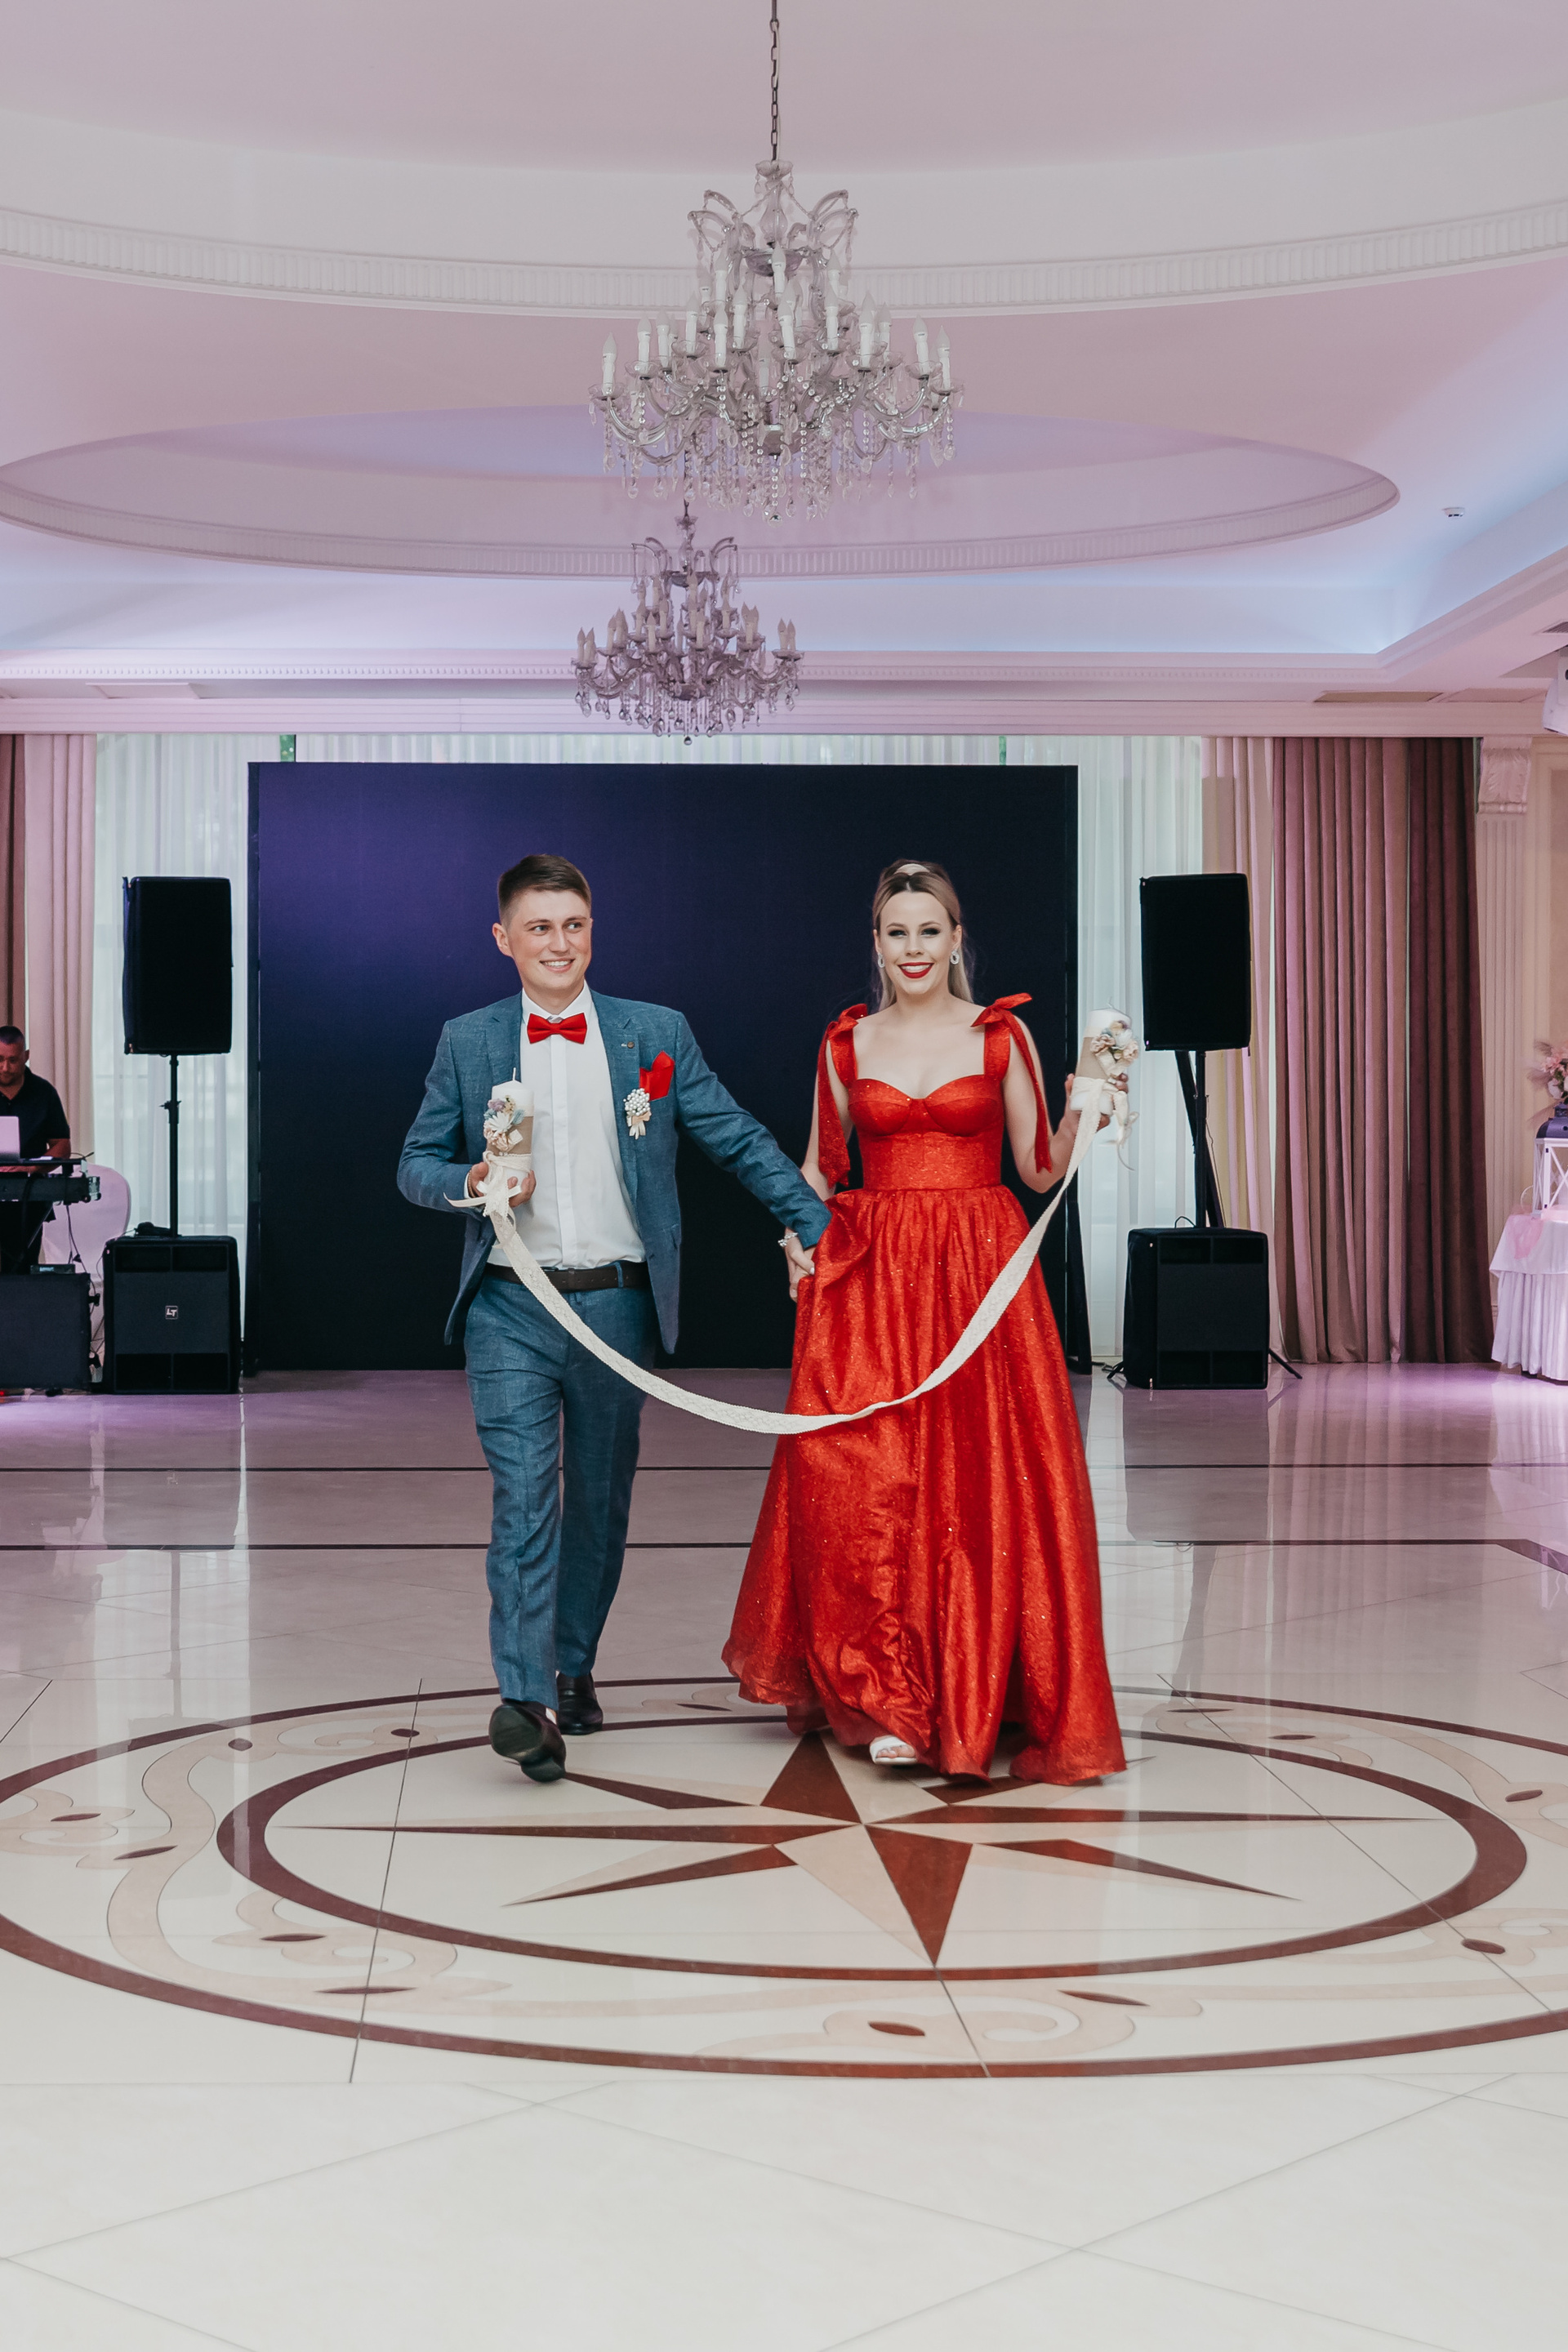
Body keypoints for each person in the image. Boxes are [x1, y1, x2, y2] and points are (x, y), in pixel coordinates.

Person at [398, 852, 831, 1787]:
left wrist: (816, 1223)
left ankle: (571, 1666)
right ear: (504, 939)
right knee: (525, 1499)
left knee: (598, 1503)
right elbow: (414, 1165)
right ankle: (527, 1702)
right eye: (539, 927)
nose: (559, 943)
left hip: (618, 1305)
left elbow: (734, 1136)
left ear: (592, 931)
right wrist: (471, 1178)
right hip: (510, 1303)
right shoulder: (467, 1041)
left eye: (574, 925)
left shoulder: (654, 1034)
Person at [724, 858, 1126, 1786]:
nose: (913, 948)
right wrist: (794, 1237)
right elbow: (818, 1169)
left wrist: (1088, 1108)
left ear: (955, 940)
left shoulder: (1003, 1035)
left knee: (981, 1482)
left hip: (980, 1272)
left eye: (929, 931)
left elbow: (1037, 1168)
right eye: (897, 932)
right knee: (870, 1479)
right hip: (872, 1277)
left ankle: (973, 1684)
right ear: (877, 944)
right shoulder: (845, 1043)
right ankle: (887, 1693)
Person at [0, 1025, 71, 1274]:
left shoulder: (44, 1092)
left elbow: (62, 1145)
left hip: (29, 1196)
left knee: (23, 1269)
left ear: (26, 1056)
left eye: (13, 1060)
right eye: (0, 1059)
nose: (5, 1067)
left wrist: (32, 1166)